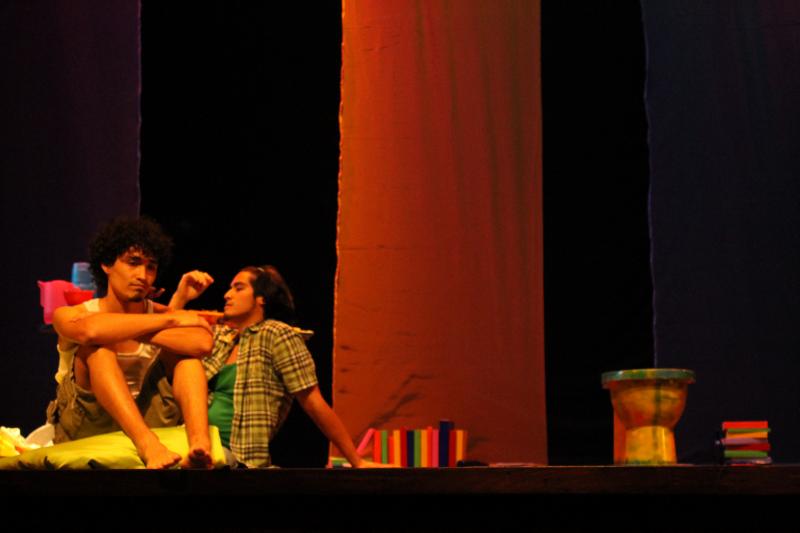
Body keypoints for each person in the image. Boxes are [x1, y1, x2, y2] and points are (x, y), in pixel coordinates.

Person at [47, 216, 214, 469]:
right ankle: (147, 444)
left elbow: (202, 343)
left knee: (187, 357)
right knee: (97, 349)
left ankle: (200, 445)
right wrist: (169, 319)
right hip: (89, 421)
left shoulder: (159, 314)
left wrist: (144, 324)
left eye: (151, 267)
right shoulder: (74, 313)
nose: (143, 275)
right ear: (107, 264)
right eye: (133, 263)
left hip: (150, 415)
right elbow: (91, 332)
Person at [170, 265, 367, 468]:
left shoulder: (277, 334)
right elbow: (164, 340)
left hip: (236, 455)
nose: (227, 295)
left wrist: (356, 461)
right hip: (188, 440)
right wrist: (180, 297)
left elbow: (313, 402)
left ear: (261, 298)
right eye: (230, 288)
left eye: (239, 288)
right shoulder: (220, 337)